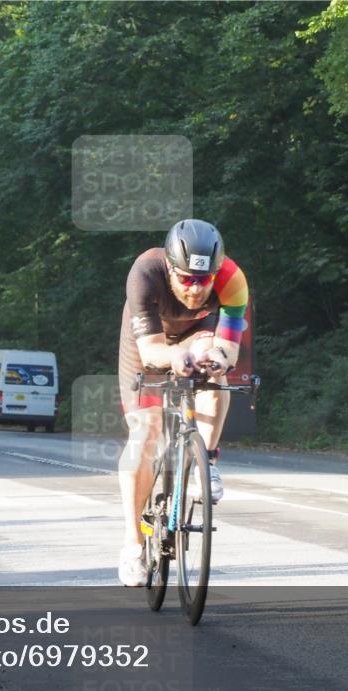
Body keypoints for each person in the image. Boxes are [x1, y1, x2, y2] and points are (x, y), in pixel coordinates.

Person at [117, 219, 248, 587]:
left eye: (204, 281)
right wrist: (174, 357)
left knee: (214, 367)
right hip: (146, 340)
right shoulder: (145, 272)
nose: (195, 289)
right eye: (187, 279)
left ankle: (204, 458)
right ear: (171, 268)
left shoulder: (233, 281)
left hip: (198, 333)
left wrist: (219, 359)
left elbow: (229, 346)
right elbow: (150, 350)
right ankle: (132, 542)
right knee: (145, 433)